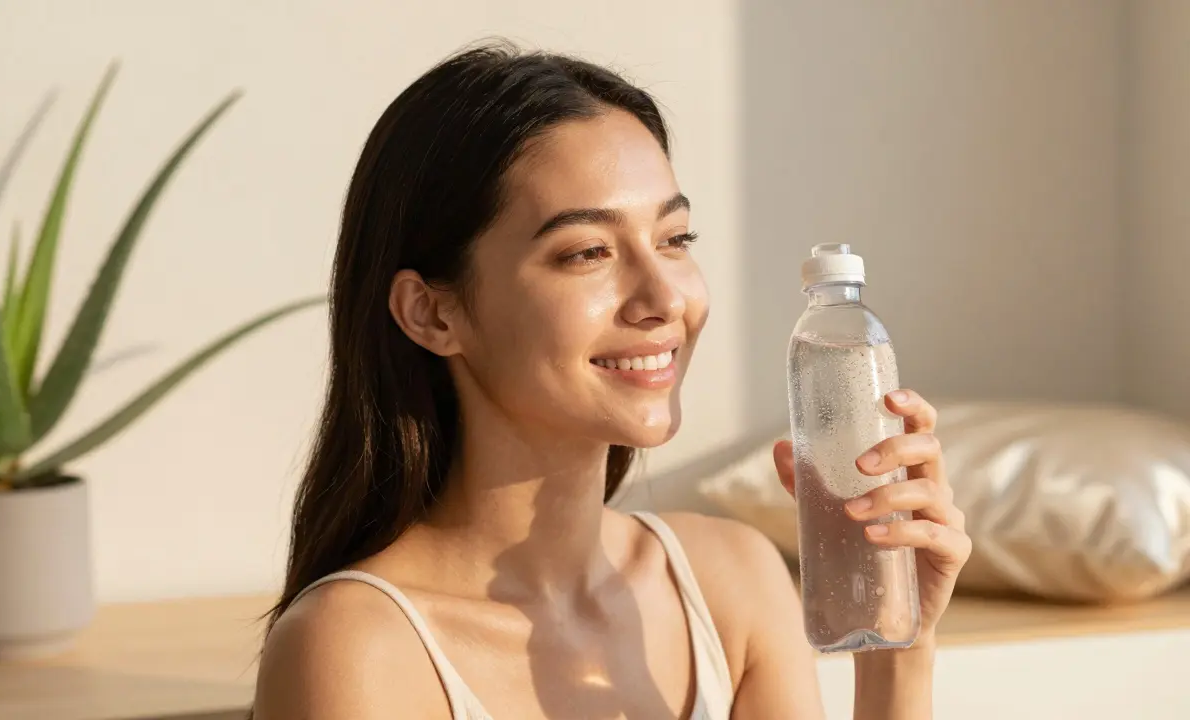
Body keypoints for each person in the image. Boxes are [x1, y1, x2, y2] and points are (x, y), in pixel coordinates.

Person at [252, 39, 971, 720]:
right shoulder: (358, 645)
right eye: (589, 251)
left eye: (674, 240)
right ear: (433, 313)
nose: (663, 300)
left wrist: (895, 633)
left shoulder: (732, 586)